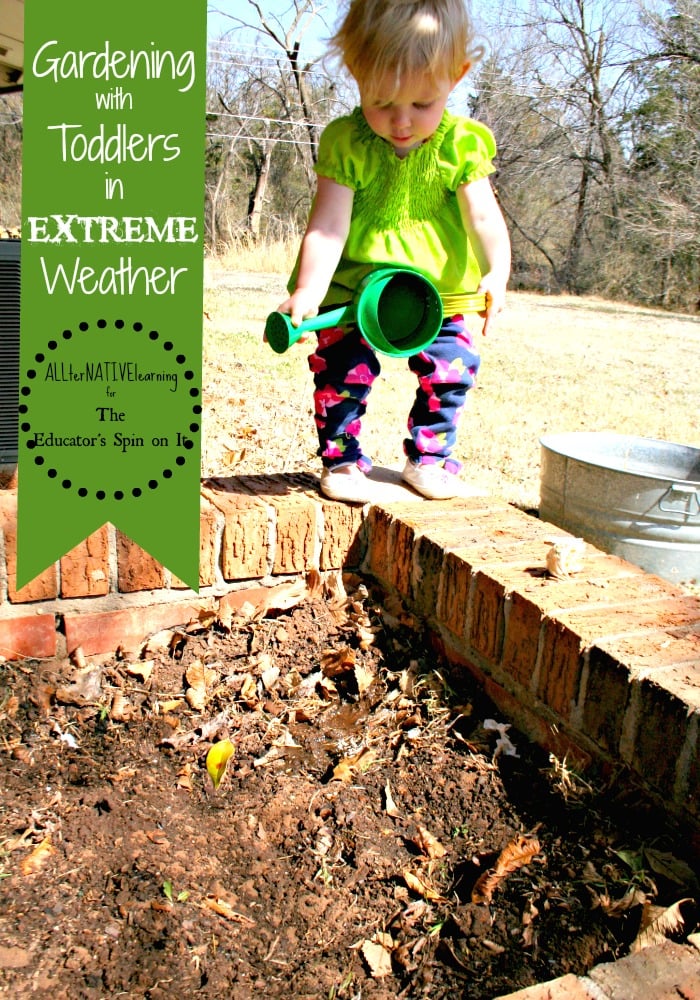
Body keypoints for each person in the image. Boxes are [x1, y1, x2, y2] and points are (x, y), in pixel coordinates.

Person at [275, 0, 511, 503]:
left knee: (452, 369)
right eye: (381, 102)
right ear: (358, 73)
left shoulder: (461, 145)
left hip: (439, 291)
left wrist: (497, 271)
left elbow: (484, 217)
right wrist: (307, 290)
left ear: (457, 75)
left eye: (422, 104)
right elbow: (329, 225)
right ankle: (341, 461)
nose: (400, 121)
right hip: (354, 289)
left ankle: (430, 458)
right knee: (341, 373)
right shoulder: (348, 141)